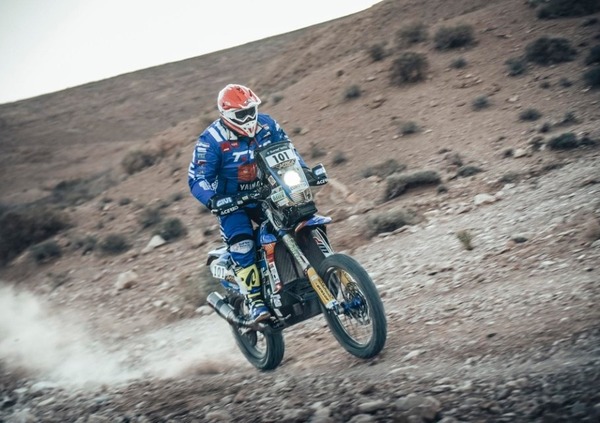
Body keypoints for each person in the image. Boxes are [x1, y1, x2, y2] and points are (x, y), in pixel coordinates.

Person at [188, 83, 310, 323]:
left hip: (267, 191)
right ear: (226, 114)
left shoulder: (268, 124)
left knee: (298, 217)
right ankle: (255, 301)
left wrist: (304, 171)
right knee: (242, 243)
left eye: (251, 110)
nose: (248, 118)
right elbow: (197, 178)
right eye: (241, 114)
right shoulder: (211, 140)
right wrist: (213, 199)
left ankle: (314, 268)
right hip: (232, 202)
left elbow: (289, 151)